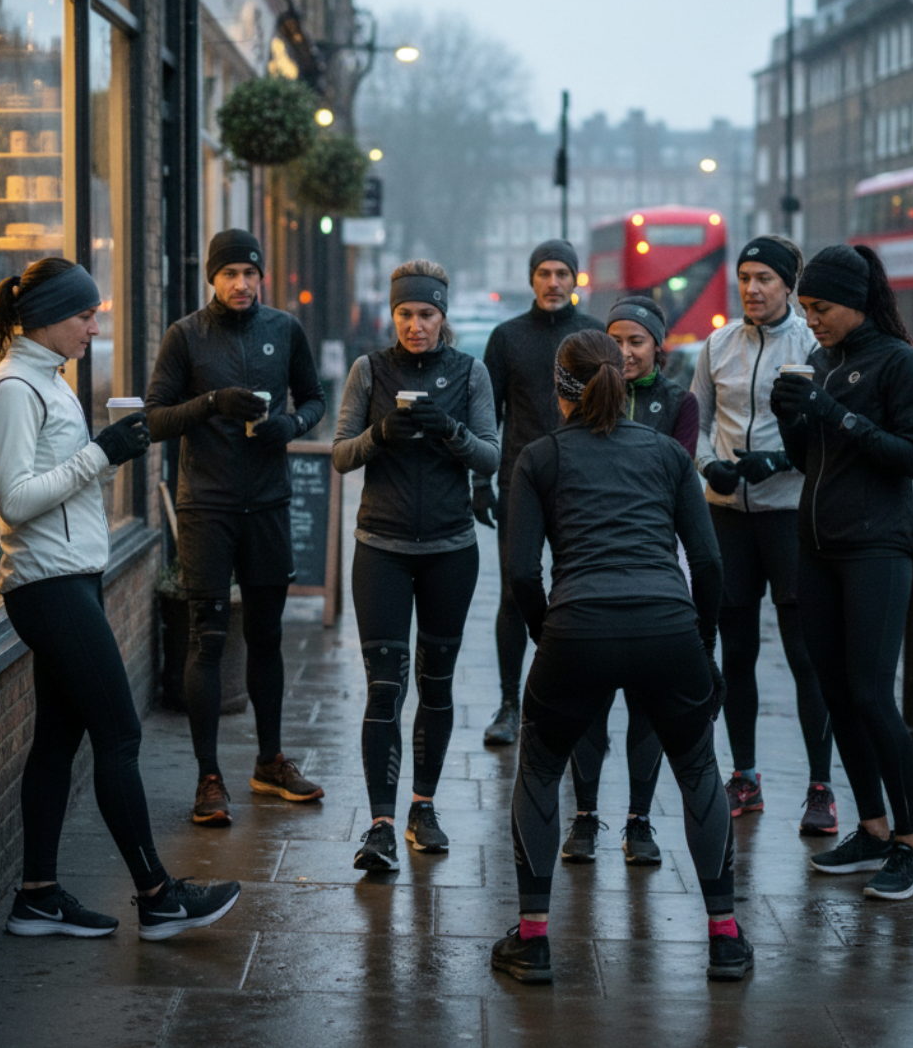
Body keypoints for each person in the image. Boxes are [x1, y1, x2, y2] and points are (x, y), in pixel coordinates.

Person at [0, 258, 240, 941]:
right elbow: (14, 499)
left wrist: (104, 451)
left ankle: (37, 896)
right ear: (47, 318)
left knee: (57, 742)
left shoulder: (49, 380)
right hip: (48, 584)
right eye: (84, 315)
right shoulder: (12, 389)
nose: (95, 327)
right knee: (120, 735)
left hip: (75, 577)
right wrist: (102, 455)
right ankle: (157, 896)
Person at [492, 331, 750, 985]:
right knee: (698, 771)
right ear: (623, 382)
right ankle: (724, 938)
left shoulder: (539, 457)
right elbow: (711, 562)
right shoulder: (667, 453)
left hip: (577, 629)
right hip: (668, 629)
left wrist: (546, 631)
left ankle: (533, 941)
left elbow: (521, 571)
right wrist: (704, 644)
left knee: (541, 771)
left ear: (561, 389)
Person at [145, 229, 326, 826]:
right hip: (207, 508)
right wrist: (212, 404)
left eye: (250, 274)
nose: (242, 285)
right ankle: (208, 777)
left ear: (261, 277)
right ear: (212, 280)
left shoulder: (284, 330)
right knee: (208, 636)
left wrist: (291, 425)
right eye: (230, 275)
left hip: (269, 504)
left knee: (268, 635)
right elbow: (155, 418)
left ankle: (270, 760)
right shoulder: (185, 336)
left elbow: (315, 397)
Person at [771, 244, 913, 900]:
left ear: (857, 302)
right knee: (837, 694)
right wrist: (792, 420)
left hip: (876, 550)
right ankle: (870, 828)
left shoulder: (899, 363)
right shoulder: (819, 360)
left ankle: (912, 846)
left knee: (871, 693)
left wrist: (836, 413)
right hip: (817, 548)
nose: (811, 320)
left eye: (821, 308)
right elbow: (810, 459)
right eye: (806, 309)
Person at [332, 260, 500, 870]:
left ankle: (422, 808)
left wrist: (449, 430)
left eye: (426, 314)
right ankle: (379, 824)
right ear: (393, 314)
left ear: (443, 316)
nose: (415, 325)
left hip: (451, 551)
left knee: (435, 684)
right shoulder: (368, 370)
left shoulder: (470, 372)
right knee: (385, 685)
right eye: (405, 314)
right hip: (380, 545)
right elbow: (340, 455)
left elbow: (491, 456)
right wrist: (382, 432)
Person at [692, 234, 836, 834]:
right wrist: (709, 465)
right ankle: (745, 776)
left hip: (788, 515)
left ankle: (821, 788)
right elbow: (693, 421)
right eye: (745, 277)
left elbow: (826, 435)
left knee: (807, 654)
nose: (752, 289)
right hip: (727, 514)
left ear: (788, 286)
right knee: (738, 652)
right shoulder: (718, 343)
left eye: (765, 279)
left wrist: (782, 462)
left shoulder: (811, 346)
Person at [561, 295, 700, 867]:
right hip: (589, 570)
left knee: (647, 706)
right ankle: (586, 817)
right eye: (614, 341)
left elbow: (680, 482)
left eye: (636, 341)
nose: (623, 352)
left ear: (657, 348)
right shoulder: (581, 401)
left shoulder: (678, 403)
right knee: (587, 706)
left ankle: (639, 820)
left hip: (653, 571)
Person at [473, 240, 602, 747]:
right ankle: (509, 704)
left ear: (576, 280)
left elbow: (611, 407)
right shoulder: (506, 338)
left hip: (582, 481)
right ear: (531, 279)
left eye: (562, 274)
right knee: (515, 590)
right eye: (544, 273)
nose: (553, 283)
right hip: (520, 480)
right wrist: (480, 481)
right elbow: (488, 416)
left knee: (582, 593)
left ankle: (578, 703)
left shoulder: (593, 335)